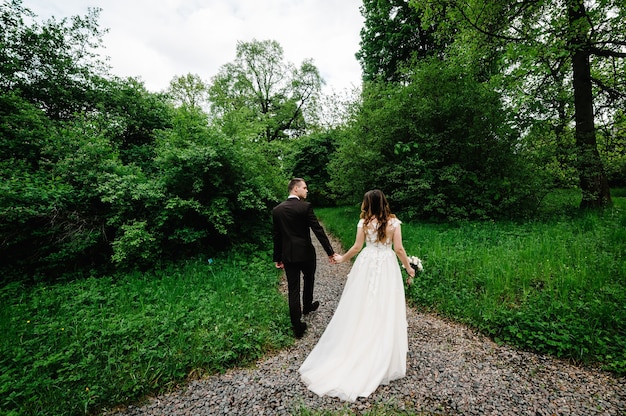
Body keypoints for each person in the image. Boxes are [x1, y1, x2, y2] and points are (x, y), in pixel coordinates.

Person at [299, 189, 415, 401]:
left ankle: (359, 340)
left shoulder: (363, 223)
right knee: (385, 304)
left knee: (362, 303)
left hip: (367, 263)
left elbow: (356, 247)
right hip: (387, 265)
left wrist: (342, 259)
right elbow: (398, 249)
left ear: (368, 203)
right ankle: (382, 349)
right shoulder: (394, 223)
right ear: (384, 202)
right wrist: (408, 268)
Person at [272, 178, 336, 338]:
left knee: (293, 289)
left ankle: (297, 326)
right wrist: (330, 252)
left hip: (288, 255)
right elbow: (318, 230)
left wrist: (277, 257)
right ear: (295, 189)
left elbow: (277, 236)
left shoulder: (277, 210)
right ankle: (307, 305)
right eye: (304, 188)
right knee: (309, 278)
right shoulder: (305, 207)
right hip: (306, 253)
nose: (307, 190)